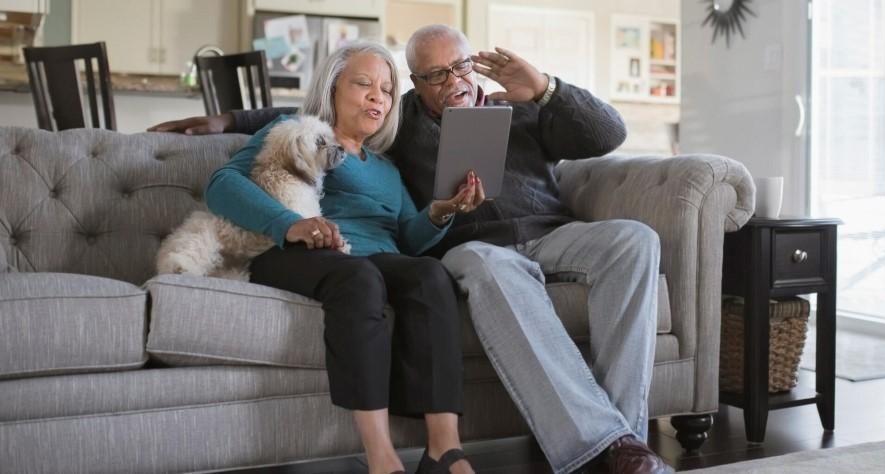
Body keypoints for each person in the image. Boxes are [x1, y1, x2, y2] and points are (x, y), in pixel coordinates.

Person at [150, 25, 671, 474]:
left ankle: (622, 446)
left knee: (636, 239)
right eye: (435, 75)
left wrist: (544, 89)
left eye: (461, 67)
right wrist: (226, 120)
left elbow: (609, 133)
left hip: (550, 232)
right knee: (455, 270)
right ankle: (591, 445)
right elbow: (314, 115)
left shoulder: (514, 113)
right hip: (477, 249)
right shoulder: (395, 125)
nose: (454, 81)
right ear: (417, 87)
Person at [197, 41, 479, 474]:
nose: (377, 97)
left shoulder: (385, 166)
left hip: (372, 258)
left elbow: (407, 236)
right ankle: (381, 458)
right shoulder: (299, 132)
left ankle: (445, 450)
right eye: (363, 84)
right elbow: (222, 183)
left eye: (386, 90)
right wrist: (286, 223)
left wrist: (441, 209)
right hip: (301, 252)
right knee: (360, 278)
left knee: (428, 275)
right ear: (331, 89)